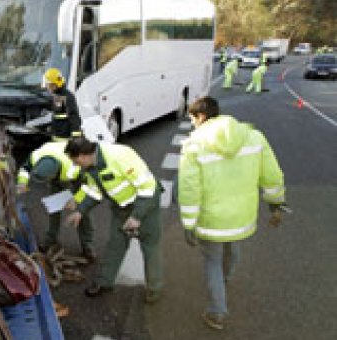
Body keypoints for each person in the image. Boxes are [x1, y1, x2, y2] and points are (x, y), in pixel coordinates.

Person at [178, 96, 286, 330]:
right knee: (232, 247)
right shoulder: (254, 137)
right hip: (241, 216)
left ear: (202, 117)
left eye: (193, 119)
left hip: (211, 219)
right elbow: (272, 175)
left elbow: (189, 188)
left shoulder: (194, 145)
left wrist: (188, 224)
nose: (193, 124)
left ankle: (217, 311)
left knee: (212, 261)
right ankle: (225, 279)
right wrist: (275, 203)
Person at [64, 136, 163, 303]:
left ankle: (154, 288)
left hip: (145, 205)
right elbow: (95, 191)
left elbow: (148, 188)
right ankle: (104, 282)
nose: (75, 165)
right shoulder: (91, 167)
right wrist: (80, 211)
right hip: (121, 208)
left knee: (150, 247)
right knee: (115, 245)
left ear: (83, 156)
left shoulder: (121, 156)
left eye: (75, 161)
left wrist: (137, 216)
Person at [17, 141, 96, 261]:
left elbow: (89, 185)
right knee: (53, 207)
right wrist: (22, 182)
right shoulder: (36, 156)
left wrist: (76, 199)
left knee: (82, 210)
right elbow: (25, 168)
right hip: (58, 173)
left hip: (77, 177)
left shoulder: (74, 166)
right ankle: (50, 240)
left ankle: (87, 245)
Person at [43, 68, 82, 141]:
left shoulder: (67, 96)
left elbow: (74, 116)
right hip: (57, 136)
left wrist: (76, 137)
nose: (46, 86)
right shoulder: (58, 95)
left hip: (64, 139)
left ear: (54, 85)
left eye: (48, 84)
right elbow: (59, 113)